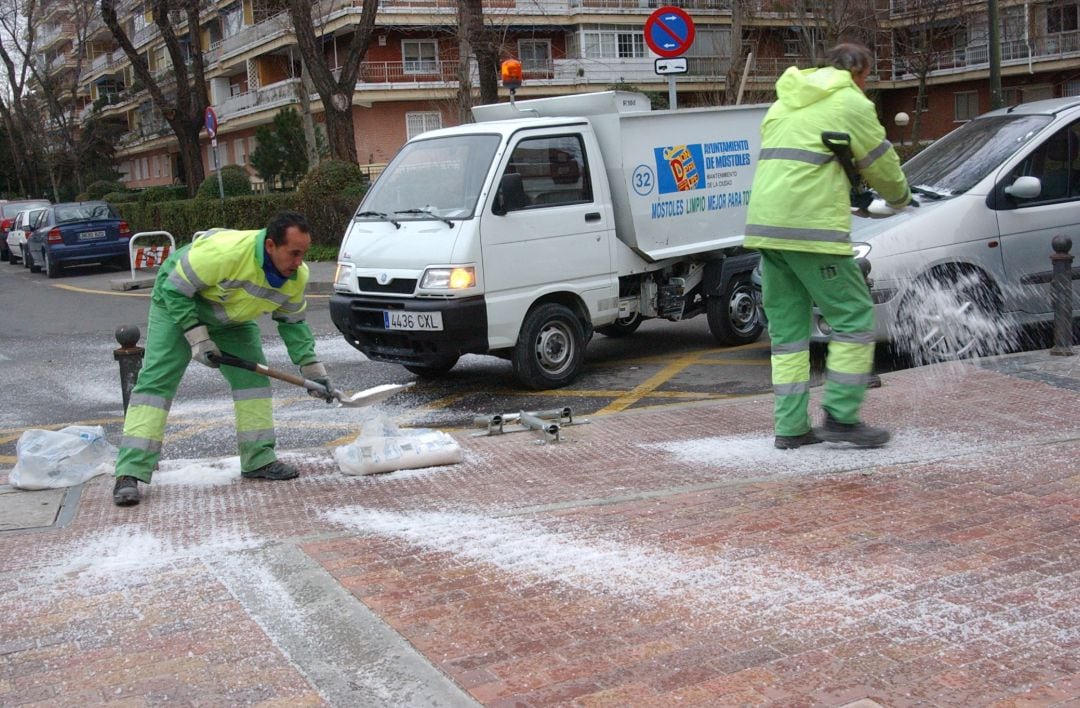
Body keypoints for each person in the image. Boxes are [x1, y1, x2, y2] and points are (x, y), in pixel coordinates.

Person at [743, 43, 913, 450]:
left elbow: (806, 160)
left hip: (767, 227)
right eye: (867, 78)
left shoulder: (783, 103)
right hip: (811, 227)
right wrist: (902, 198)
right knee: (853, 316)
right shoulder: (850, 101)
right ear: (859, 73)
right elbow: (881, 163)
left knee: (787, 334)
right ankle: (840, 415)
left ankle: (790, 427)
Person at [112, 211, 335, 505]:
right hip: (177, 303)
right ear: (270, 246)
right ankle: (129, 472)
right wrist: (197, 338)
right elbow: (175, 290)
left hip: (232, 320)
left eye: (303, 254)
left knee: (253, 382)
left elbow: (293, 324)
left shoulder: (296, 277)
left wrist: (313, 372)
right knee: (156, 383)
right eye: (293, 253)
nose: (298, 263)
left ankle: (258, 460)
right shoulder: (225, 253)